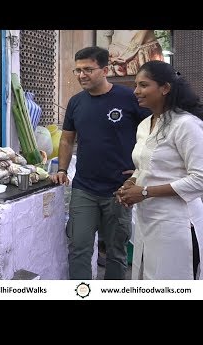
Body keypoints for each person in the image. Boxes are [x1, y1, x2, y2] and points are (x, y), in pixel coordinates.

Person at [50, 46, 151, 280]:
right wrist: (63, 169)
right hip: (84, 188)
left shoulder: (128, 98)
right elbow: (66, 140)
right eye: (77, 70)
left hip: (120, 189)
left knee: (116, 252)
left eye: (88, 69)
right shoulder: (76, 102)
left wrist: (141, 169)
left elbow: (152, 135)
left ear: (105, 70)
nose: (81, 75)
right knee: (79, 249)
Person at [117, 60, 203, 279]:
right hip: (148, 219)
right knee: (149, 278)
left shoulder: (186, 124)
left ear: (165, 88)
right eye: (136, 85)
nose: (136, 91)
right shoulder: (145, 124)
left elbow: (200, 179)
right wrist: (132, 183)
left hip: (177, 223)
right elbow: (145, 166)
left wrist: (145, 192)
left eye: (144, 85)